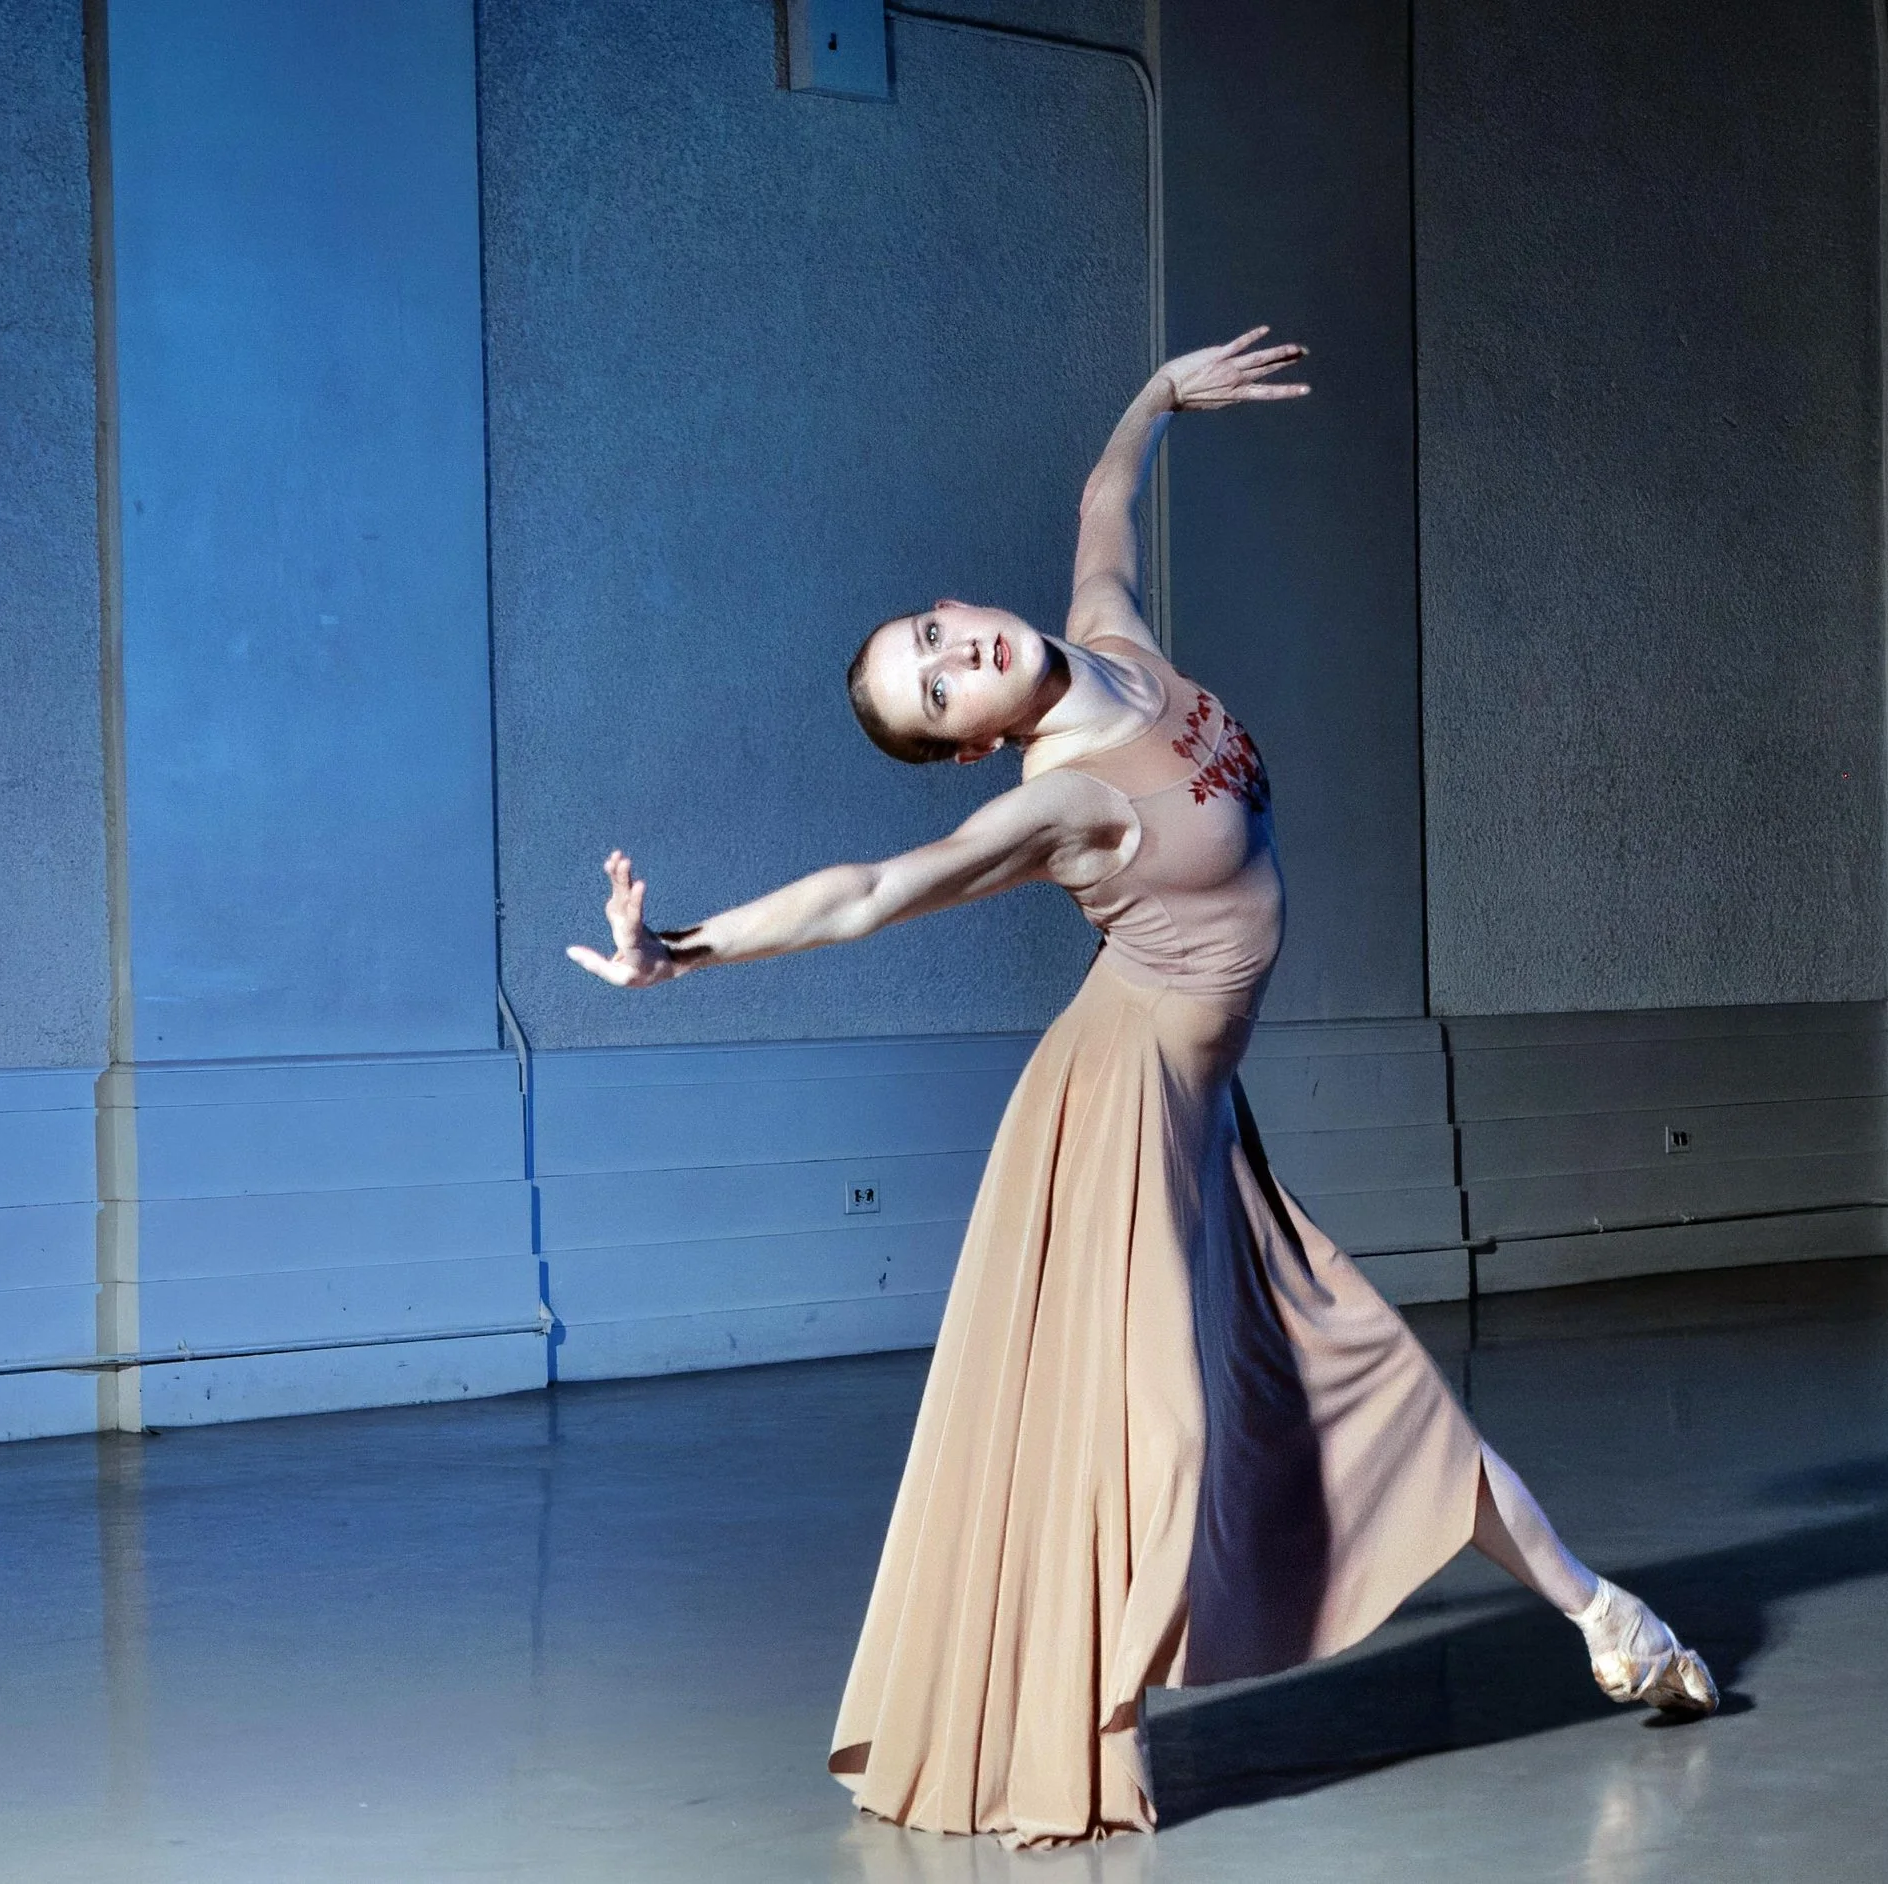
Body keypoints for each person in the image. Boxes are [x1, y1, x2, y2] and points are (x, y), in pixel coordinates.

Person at [568, 329, 1715, 1848]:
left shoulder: (1114, 641)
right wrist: (683, 952)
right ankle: (1072, 1727)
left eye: (936, 626)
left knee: (1358, 1374)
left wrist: (1157, 396)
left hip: (1197, 1115)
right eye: (936, 689)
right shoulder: (1066, 803)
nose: (959, 647)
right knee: (1157, 1437)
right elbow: (864, 891)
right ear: (973, 748)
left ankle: (1604, 1618)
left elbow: (1105, 499)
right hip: (1117, 1116)